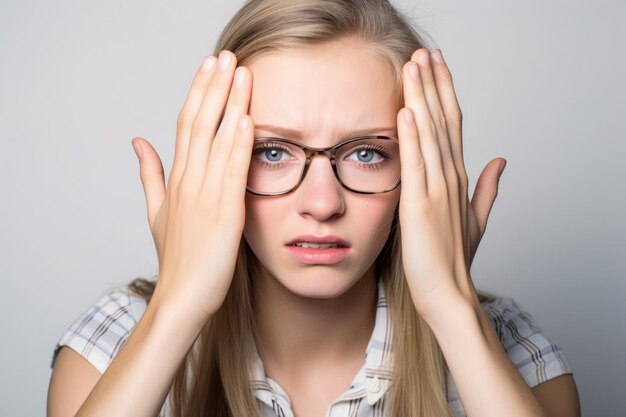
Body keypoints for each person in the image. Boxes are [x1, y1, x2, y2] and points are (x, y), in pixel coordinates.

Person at [47, 1, 580, 416]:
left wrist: (450, 306)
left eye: (367, 153)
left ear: (422, 172)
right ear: (212, 162)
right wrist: (178, 307)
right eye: (272, 152)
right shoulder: (116, 342)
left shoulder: (508, 347)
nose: (323, 204)